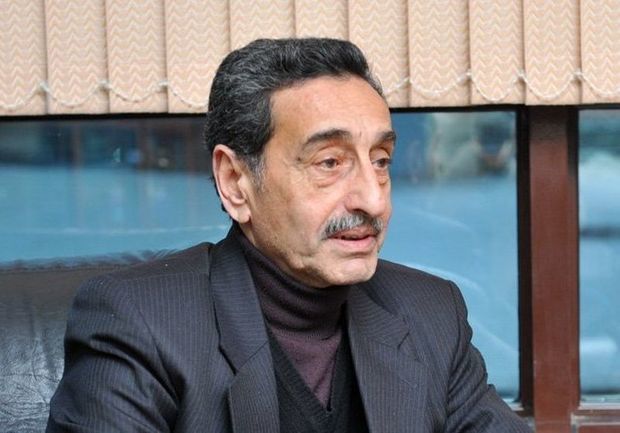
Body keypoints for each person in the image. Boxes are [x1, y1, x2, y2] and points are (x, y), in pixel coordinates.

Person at [47, 38, 532, 433]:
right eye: (330, 162)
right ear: (235, 182)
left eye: (381, 161)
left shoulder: (429, 312)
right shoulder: (141, 324)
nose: (373, 200)